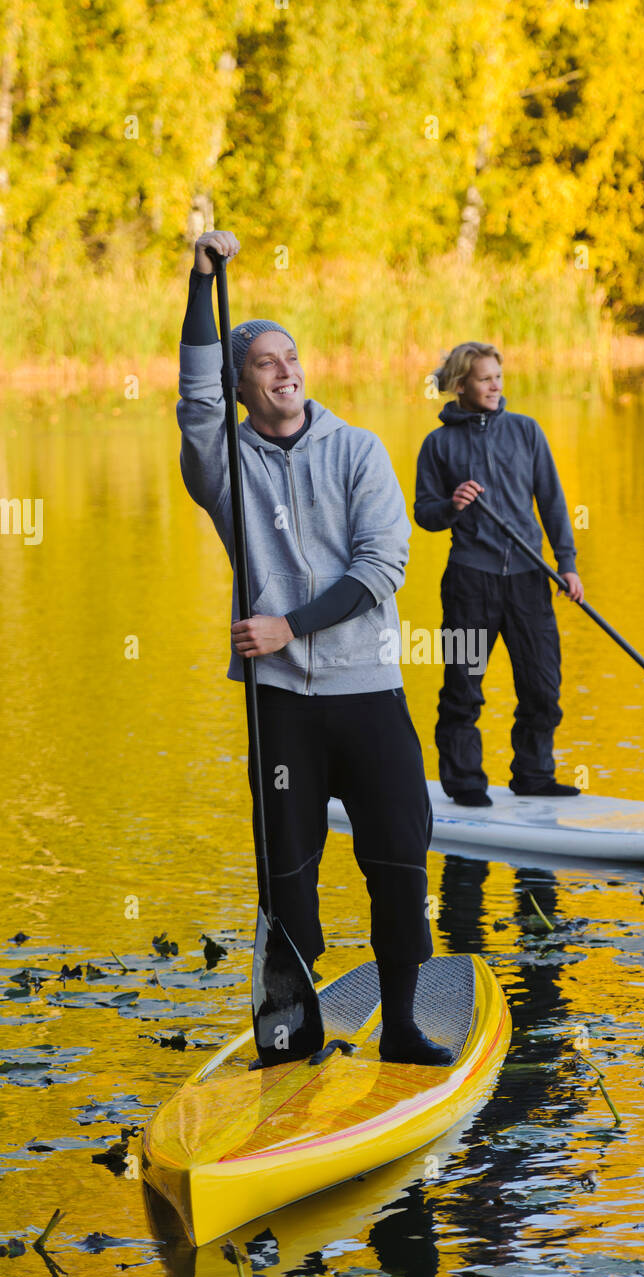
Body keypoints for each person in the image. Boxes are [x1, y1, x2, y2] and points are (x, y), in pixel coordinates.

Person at [177, 228, 450, 1065]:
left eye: (291, 357)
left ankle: (402, 1026)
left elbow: (384, 566)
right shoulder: (224, 463)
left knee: (400, 856)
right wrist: (197, 286)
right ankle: (294, 1037)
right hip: (282, 707)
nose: (285, 369)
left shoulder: (360, 450)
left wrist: (289, 625)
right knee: (287, 874)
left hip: (366, 692)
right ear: (242, 383)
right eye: (264, 362)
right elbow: (193, 399)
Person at [414, 342, 584, 807]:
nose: (495, 386)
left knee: (542, 687)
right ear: (461, 384)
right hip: (469, 582)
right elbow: (424, 514)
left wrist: (566, 565)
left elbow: (552, 503)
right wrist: (452, 506)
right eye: (485, 378)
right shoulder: (438, 445)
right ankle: (465, 782)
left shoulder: (526, 432)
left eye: (498, 377)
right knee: (463, 687)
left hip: (530, 579)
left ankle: (534, 775)